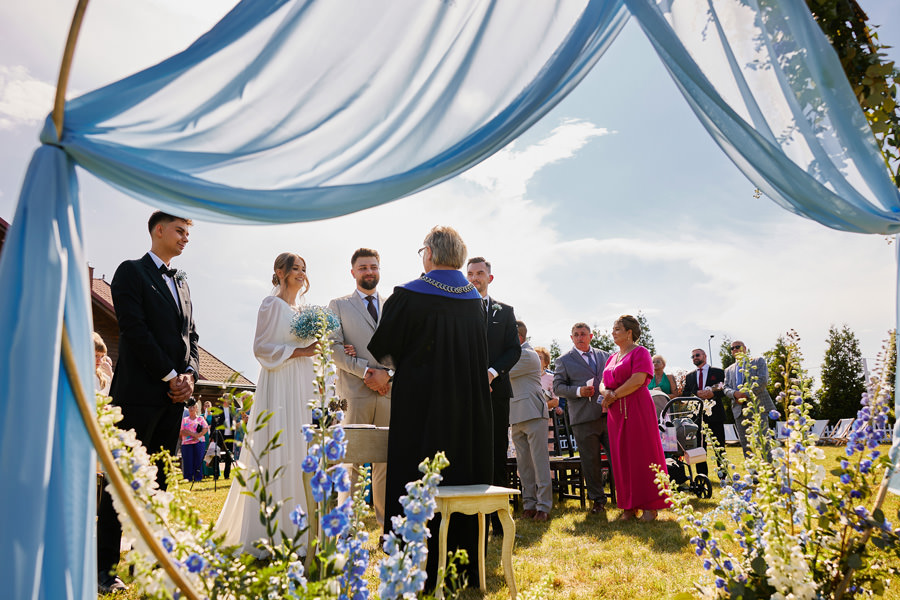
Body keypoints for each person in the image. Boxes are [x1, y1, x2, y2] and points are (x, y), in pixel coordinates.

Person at [368, 226, 492, 588]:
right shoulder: (474, 300)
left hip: (421, 405)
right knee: (462, 472)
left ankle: (417, 564)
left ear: (431, 254)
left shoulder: (409, 294)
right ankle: (462, 564)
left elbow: (385, 346)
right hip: (468, 405)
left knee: (418, 471)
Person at [96, 211, 199, 593]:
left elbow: (192, 335)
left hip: (173, 401)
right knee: (121, 483)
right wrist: (169, 376)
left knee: (159, 483)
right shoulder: (131, 272)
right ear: (158, 230)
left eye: (188, 232)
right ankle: (103, 567)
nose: (186, 238)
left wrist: (189, 375)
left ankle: (150, 563)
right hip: (137, 397)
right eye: (180, 230)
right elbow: (134, 329)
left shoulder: (184, 284)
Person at [215, 252, 319, 557]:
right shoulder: (271, 304)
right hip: (279, 381)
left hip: (301, 385)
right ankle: (270, 530)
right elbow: (261, 347)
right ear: (280, 272)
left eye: (303, 269)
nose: (301, 273)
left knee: (299, 448)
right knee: (279, 446)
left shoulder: (302, 309)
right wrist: (300, 352)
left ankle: (300, 529)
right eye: (295, 269)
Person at [328, 247, 392, 525]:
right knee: (351, 462)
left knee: (386, 463)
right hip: (354, 394)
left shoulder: (394, 305)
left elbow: (407, 348)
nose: (369, 272)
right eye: (363, 267)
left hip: (390, 393)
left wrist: (387, 375)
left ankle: (385, 526)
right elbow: (333, 349)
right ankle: (347, 529)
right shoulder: (338, 305)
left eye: (373, 267)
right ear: (353, 272)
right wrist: (367, 371)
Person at [466, 256, 520, 532]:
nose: (474, 278)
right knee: (470, 451)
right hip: (465, 393)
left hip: (497, 392)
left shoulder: (505, 311)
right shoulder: (458, 310)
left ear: (490, 278)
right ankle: (472, 517)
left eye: (479, 273)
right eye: (470, 274)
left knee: (498, 452)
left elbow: (514, 350)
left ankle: (498, 520)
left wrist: (490, 373)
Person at [600, 315, 669, 522]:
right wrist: (606, 394)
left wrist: (614, 395)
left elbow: (638, 379)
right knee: (621, 457)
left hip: (636, 407)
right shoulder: (612, 357)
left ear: (629, 332)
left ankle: (650, 505)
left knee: (642, 455)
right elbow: (603, 381)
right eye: (613, 329)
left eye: (617, 329)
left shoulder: (641, 352)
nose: (613, 333)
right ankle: (629, 507)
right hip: (615, 412)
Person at [553, 323, 612, 514]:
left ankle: (626, 499)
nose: (580, 337)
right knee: (590, 461)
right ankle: (598, 501)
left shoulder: (606, 356)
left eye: (583, 334)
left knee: (618, 458)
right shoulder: (564, 360)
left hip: (609, 415)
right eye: (576, 335)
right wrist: (579, 391)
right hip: (583, 418)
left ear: (591, 336)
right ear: (571, 338)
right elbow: (558, 387)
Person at [508, 321, 552, 521]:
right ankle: (529, 504)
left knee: (539, 461)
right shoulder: (513, 353)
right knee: (523, 464)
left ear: (518, 337)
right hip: (515, 415)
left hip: (533, 413)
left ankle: (544, 506)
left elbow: (501, 372)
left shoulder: (527, 355)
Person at [724, 340, 777, 457]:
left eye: (737, 347)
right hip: (739, 410)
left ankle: (770, 474)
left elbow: (763, 381)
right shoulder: (728, 370)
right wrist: (734, 394)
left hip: (758, 408)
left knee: (764, 443)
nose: (735, 350)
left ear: (745, 348)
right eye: (732, 348)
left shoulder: (758, 361)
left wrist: (746, 394)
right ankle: (753, 474)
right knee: (746, 446)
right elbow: (725, 387)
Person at [681, 348, 727, 478]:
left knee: (720, 444)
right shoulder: (689, 376)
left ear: (704, 356)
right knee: (699, 446)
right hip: (697, 416)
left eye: (697, 355)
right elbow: (686, 393)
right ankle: (702, 475)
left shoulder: (718, 372)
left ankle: (723, 474)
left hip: (716, 414)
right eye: (693, 356)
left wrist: (713, 393)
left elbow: (725, 388)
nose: (695, 358)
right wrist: (696, 394)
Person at [209, 394, 239, 480]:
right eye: (226, 398)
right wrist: (212, 436)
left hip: (230, 435)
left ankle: (227, 475)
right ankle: (215, 475)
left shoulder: (233, 410)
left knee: (228, 455)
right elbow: (213, 424)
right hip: (219, 435)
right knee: (216, 454)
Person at [181, 398, 209, 482]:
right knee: (188, 461)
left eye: (193, 407)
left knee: (198, 460)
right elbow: (182, 431)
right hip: (186, 443)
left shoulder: (200, 419)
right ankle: (188, 478)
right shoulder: (184, 420)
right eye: (190, 407)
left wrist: (197, 435)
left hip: (199, 442)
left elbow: (205, 428)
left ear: (197, 408)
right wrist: (194, 435)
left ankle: (198, 478)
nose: (191, 409)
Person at [534, 346, 562, 416]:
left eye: (539, 357)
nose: (536, 359)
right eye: (534, 357)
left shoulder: (551, 378)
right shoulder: (526, 378)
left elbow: (555, 402)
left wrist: (537, 409)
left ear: (546, 363)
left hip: (544, 420)